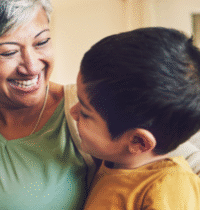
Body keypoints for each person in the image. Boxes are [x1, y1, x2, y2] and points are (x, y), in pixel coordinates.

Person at [0, 1, 200, 209]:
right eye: (8, 52)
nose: (31, 66)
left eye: (41, 42)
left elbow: (171, 159)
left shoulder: (97, 107)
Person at [71, 27, 200, 209]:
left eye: (84, 113)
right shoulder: (115, 161)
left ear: (138, 141)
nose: (72, 112)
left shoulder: (171, 187)